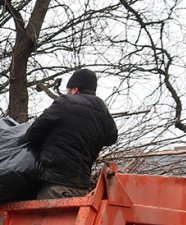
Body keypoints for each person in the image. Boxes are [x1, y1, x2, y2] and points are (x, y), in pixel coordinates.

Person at [24, 68, 119, 199]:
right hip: (82, 187)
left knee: (39, 219)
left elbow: (32, 134)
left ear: (75, 89)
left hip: (55, 183)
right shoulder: (102, 110)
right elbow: (111, 138)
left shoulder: (65, 102)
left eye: (68, 90)